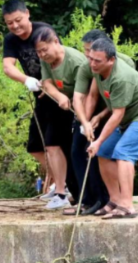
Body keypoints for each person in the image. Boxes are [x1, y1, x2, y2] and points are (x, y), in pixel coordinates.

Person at [74, 29, 138, 215]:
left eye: (97, 60)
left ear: (111, 60)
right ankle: (115, 200)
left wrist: (98, 140)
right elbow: (93, 96)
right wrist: (90, 121)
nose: (91, 63)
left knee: (123, 152)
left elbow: (117, 114)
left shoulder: (121, 77)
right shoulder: (97, 70)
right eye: (90, 58)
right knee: (105, 151)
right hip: (129, 119)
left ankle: (127, 205)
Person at [2, 0, 77, 202]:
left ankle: (62, 191)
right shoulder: (11, 40)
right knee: (35, 146)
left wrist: (50, 86)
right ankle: (66, 181)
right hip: (40, 96)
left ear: (27, 14)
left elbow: (57, 59)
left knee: (54, 144)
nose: (15, 26)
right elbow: (8, 67)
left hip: (57, 96)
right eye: (10, 23)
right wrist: (26, 79)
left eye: (18, 20)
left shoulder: (43, 32)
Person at [33, 27, 85, 209]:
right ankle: (61, 192)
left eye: (44, 50)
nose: (41, 55)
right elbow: (46, 83)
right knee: (52, 144)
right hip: (60, 105)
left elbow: (85, 91)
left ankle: (83, 197)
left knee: (76, 152)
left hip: (81, 107)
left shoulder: (75, 61)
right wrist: (60, 96)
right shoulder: (47, 61)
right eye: (38, 51)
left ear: (55, 41)